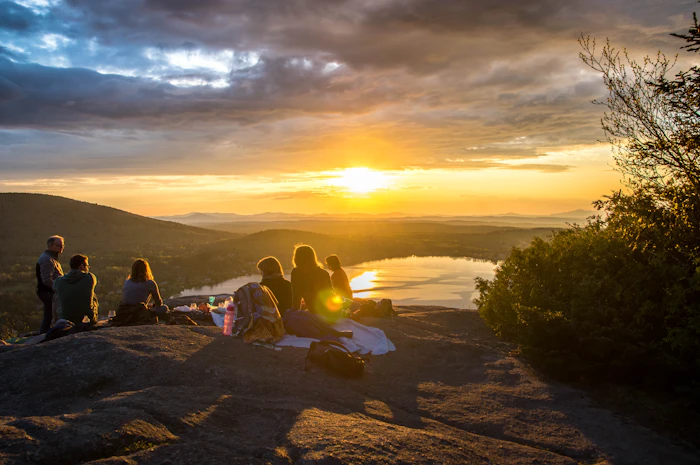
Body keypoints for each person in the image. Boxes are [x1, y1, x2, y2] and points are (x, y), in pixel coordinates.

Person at [291, 245, 341, 322]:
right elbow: (332, 294)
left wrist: (294, 314)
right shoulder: (324, 273)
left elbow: (296, 297)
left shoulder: (297, 273)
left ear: (297, 258)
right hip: (333, 312)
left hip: (316, 312)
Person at [53, 254, 98, 325]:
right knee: (93, 295)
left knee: (56, 296)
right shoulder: (89, 278)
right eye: (87, 266)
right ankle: (92, 320)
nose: (88, 268)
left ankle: (56, 322)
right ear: (81, 266)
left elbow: (54, 288)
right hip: (84, 319)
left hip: (65, 318)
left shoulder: (59, 281)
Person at [36, 235, 65, 333]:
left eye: (62, 245)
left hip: (49, 292)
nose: (62, 248)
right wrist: (58, 289)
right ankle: (45, 336)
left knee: (50, 315)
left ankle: (46, 334)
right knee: (50, 316)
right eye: (59, 246)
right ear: (51, 246)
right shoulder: (47, 260)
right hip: (48, 292)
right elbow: (46, 279)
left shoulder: (51, 258)